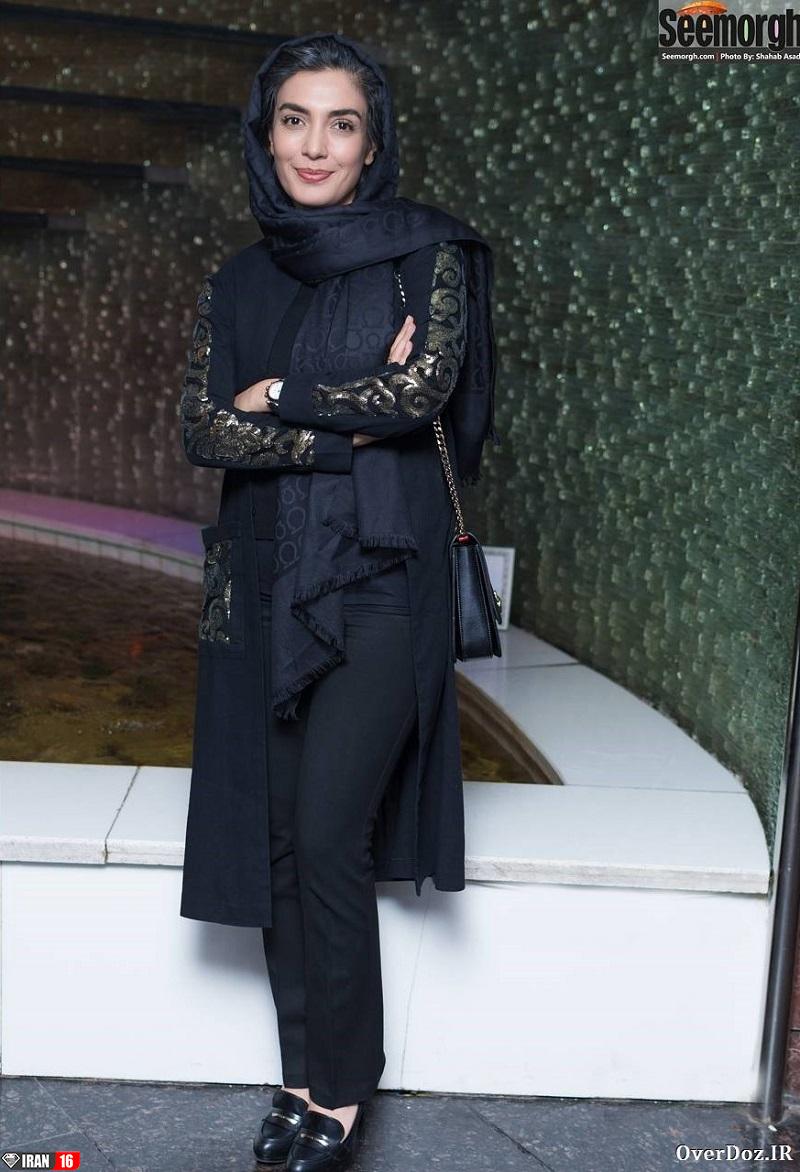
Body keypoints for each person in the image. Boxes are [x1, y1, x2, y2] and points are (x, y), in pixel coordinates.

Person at [177, 30, 499, 1172]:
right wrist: (333, 424)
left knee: (325, 832)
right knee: (276, 839)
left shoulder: (428, 254)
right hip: (264, 579)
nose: (316, 145)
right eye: (294, 120)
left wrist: (280, 395)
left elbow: (421, 392)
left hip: (381, 579)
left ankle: (345, 1089)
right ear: (265, 136)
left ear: (372, 144)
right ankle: (299, 1072)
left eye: (342, 123)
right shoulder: (239, 277)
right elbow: (202, 427)